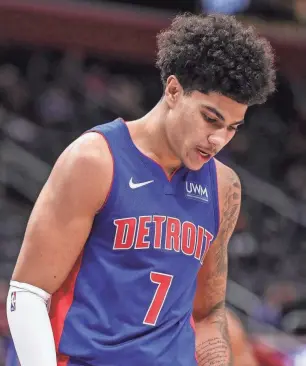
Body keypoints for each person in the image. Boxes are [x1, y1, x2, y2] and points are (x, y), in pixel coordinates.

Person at [6, 13, 276, 366]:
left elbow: (208, 314)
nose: (218, 140)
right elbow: (27, 293)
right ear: (174, 90)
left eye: (233, 128)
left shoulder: (225, 187)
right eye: (210, 119)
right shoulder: (95, 160)